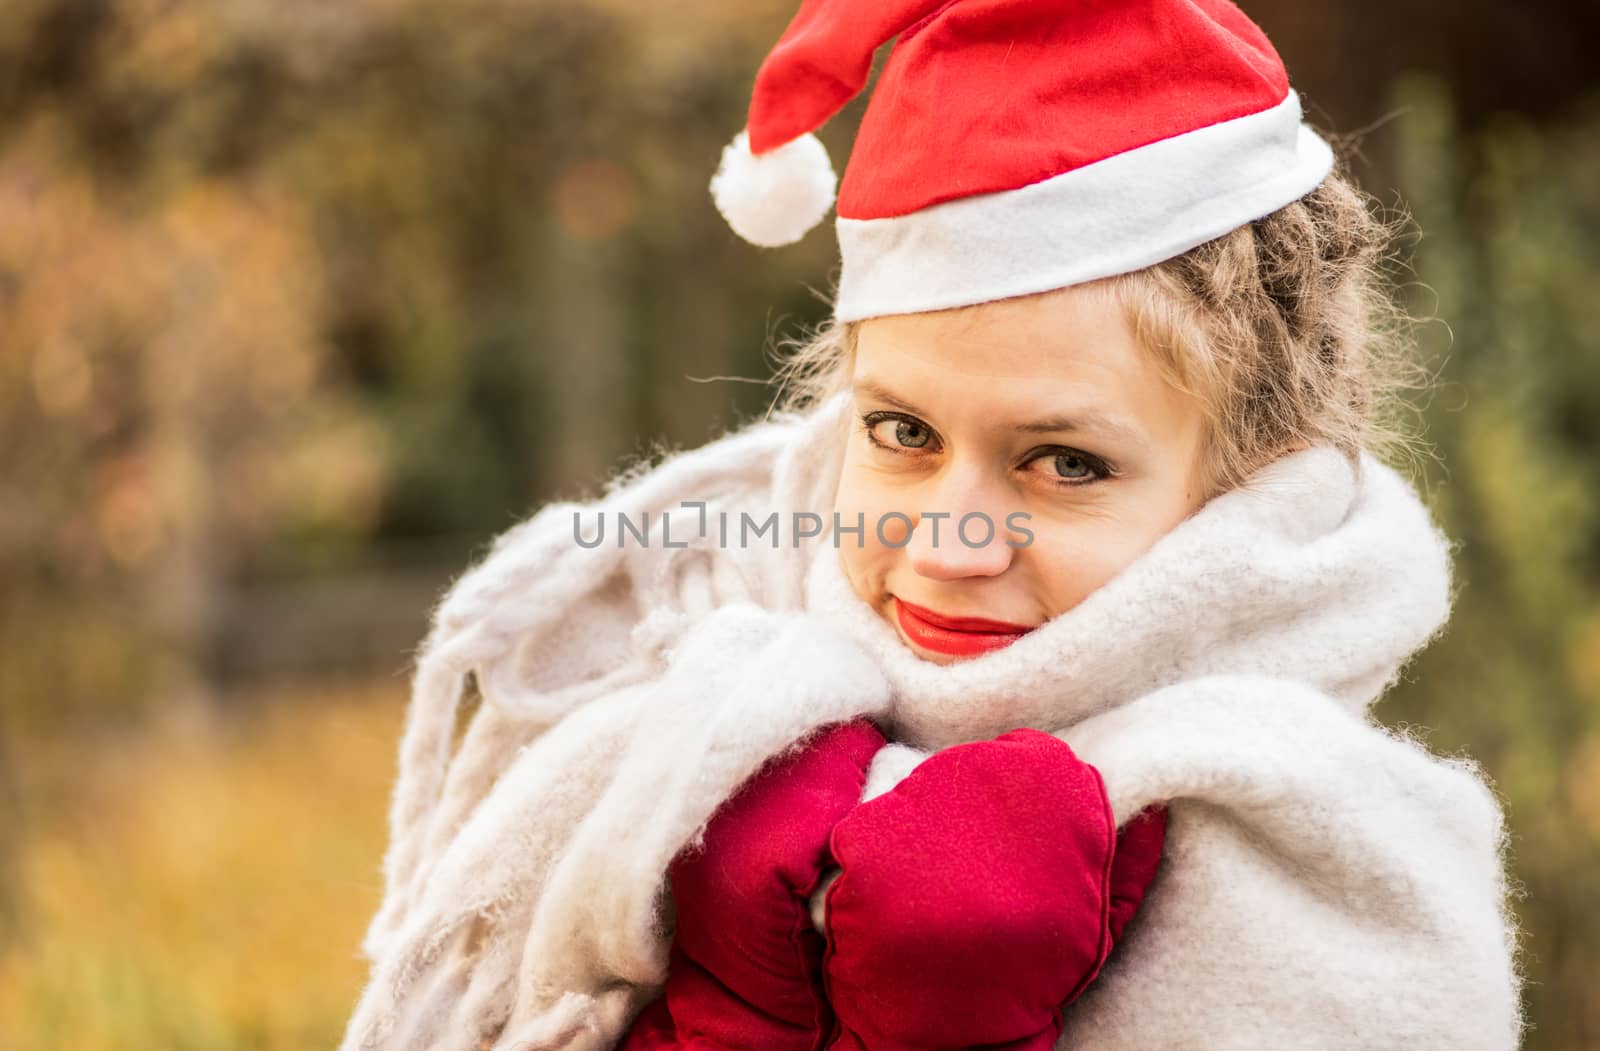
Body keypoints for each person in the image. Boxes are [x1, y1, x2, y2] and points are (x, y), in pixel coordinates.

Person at [338, 2, 1526, 1050]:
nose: (947, 544)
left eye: (1064, 462)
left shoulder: (1338, 877)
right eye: (903, 433)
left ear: (1248, 480)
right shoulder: (681, 714)